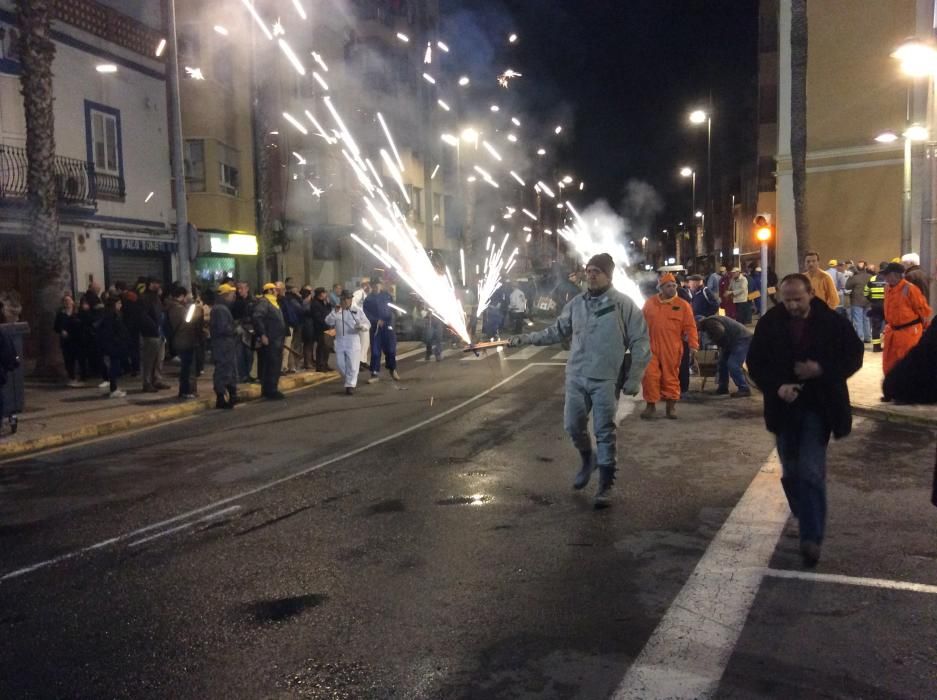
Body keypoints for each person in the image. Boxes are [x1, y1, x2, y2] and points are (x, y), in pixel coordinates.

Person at [508, 253, 650, 507]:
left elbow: (640, 341)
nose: (591, 274)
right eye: (589, 270)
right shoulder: (576, 304)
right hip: (576, 376)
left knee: (604, 429)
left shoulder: (623, 304)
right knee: (573, 425)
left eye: (597, 270)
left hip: (606, 377)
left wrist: (635, 375)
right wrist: (526, 338)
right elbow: (557, 331)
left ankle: (605, 485)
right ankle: (588, 459)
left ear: (609, 274)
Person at [746, 273, 863, 567]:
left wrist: (821, 369)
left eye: (798, 299)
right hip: (784, 408)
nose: (793, 305)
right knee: (791, 471)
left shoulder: (833, 323)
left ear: (811, 293)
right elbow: (756, 363)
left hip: (819, 407)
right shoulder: (770, 323)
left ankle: (811, 538)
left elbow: (854, 355)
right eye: (787, 300)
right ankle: (804, 510)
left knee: (811, 470)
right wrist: (777, 387)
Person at [642, 273, 699, 419]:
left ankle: (671, 406)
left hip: (672, 347)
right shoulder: (650, 303)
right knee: (650, 375)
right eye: (668, 286)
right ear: (660, 288)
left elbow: (690, 327)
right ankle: (650, 405)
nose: (672, 288)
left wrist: (693, 345)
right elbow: (640, 324)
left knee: (671, 376)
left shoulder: (683, 306)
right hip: (651, 346)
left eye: (674, 286)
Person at [882, 261, 932, 377]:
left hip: (908, 333)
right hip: (892, 332)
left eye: (887, 274)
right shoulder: (887, 288)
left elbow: (923, 310)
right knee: (889, 363)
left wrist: (925, 327)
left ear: (895, 275)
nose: (885, 277)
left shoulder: (910, 289)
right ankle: (892, 387)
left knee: (906, 362)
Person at [327, 289, 370, 394]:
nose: (345, 301)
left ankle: (350, 385)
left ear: (351, 299)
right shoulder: (337, 310)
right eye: (344, 299)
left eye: (348, 299)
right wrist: (334, 313)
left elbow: (367, 324)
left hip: (353, 340)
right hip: (340, 341)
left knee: (353, 364)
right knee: (340, 364)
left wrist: (362, 326)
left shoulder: (357, 310)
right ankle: (349, 379)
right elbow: (328, 321)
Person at [700, 315, 753, 397]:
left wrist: (714, 341)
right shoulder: (708, 323)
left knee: (733, 365)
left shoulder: (710, 323)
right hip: (732, 341)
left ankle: (744, 389)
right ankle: (723, 388)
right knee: (722, 363)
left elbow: (720, 332)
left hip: (742, 339)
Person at [166, 286, 202, 400]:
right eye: (187, 295)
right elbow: (189, 319)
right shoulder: (177, 309)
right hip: (184, 341)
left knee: (186, 367)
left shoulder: (173, 307)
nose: (188, 297)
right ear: (181, 296)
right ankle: (186, 391)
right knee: (187, 368)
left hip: (182, 340)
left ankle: (185, 390)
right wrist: (196, 308)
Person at [252, 282, 287, 399]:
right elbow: (257, 317)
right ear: (270, 291)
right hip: (271, 339)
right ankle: (270, 389)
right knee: (272, 364)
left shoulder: (273, 302)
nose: (277, 292)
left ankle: (271, 388)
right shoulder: (264, 302)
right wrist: (262, 334)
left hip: (276, 338)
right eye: (275, 290)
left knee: (275, 364)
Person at [363, 279, 399, 383]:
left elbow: (393, 308)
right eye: (374, 285)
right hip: (376, 328)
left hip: (388, 326)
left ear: (381, 285)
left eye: (378, 284)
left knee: (391, 350)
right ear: (371, 286)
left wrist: (393, 318)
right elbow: (366, 313)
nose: (377, 287)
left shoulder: (387, 296)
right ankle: (374, 373)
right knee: (375, 351)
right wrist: (375, 320)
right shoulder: (368, 299)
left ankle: (392, 369)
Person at [210, 283, 239, 409]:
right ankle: (221, 397)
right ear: (225, 295)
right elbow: (223, 328)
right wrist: (235, 328)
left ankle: (230, 395)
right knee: (223, 369)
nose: (234, 297)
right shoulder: (220, 309)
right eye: (232, 294)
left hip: (226, 345)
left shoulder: (221, 308)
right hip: (223, 345)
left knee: (229, 369)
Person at [95, 296, 130, 399]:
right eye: (119, 303)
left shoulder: (108, 314)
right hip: (113, 346)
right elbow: (113, 331)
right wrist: (118, 341)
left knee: (114, 366)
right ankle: (113, 389)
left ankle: (113, 387)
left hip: (111, 345)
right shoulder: (112, 315)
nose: (121, 305)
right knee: (114, 367)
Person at [139, 278, 169, 392]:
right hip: (151, 333)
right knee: (149, 360)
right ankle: (147, 383)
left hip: (159, 333)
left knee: (159, 359)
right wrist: (154, 326)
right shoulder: (145, 298)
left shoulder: (156, 298)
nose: (159, 286)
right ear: (151, 284)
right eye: (157, 283)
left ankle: (156, 379)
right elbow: (143, 316)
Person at [54, 294, 84, 387]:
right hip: (66, 341)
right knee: (68, 360)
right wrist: (61, 331)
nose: (67, 303)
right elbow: (56, 327)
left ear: (72, 302)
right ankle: (72, 377)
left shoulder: (77, 313)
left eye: (69, 300)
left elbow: (82, 324)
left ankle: (81, 376)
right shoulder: (61, 315)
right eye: (65, 301)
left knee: (79, 358)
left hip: (77, 339)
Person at [232, 281, 256, 383]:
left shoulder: (253, 301)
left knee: (249, 353)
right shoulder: (235, 302)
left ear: (247, 288)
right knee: (239, 354)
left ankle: (249, 373)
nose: (240, 290)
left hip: (250, 331)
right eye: (238, 288)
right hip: (239, 330)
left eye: (242, 288)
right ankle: (243, 375)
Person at [845, 262, 872, 342]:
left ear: (857, 268)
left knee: (858, 320)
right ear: (865, 268)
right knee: (866, 320)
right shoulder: (870, 277)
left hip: (857, 301)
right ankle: (868, 337)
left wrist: (850, 277)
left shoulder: (854, 278)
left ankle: (860, 338)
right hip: (868, 301)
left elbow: (847, 286)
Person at [307, 287, 333, 372]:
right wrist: (326, 323)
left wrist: (328, 304)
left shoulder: (323, 303)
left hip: (327, 327)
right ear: (321, 294)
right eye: (325, 293)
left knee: (327, 347)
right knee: (321, 347)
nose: (326, 294)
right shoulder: (315, 304)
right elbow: (318, 317)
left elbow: (328, 313)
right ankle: (320, 365)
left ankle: (325, 364)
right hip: (320, 328)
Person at [864, 262, 887, 353]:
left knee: (876, 327)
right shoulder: (889, 279)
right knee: (889, 327)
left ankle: (876, 347)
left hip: (875, 306)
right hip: (887, 306)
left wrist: (872, 300)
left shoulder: (873, 279)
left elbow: (866, 292)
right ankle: (888, 346)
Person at [352, 279, 371, 369]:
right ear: (365, 285)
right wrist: (359, 314)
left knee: (365, 342)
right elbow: (352, 305)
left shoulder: (367, 295)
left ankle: (362, 360)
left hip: (365, 321)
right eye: (369, 285)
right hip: (359, 321)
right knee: (361, 342)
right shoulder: (359, 293)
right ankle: (358, 362)